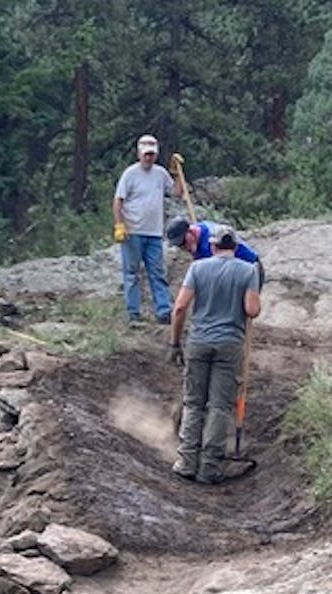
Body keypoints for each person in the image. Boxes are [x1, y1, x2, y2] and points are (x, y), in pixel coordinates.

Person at [167, 224, 261, 484]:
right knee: (219, 406)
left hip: (198, 342)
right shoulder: (247, 271)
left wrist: (175, 343)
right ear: (235, 247)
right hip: (230, 344)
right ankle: (209, 467)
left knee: (194, 402)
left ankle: (186, 461)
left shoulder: (197, 268)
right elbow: (252, 310)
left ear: (213, 245)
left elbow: (179, 308)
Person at [113, 134, 181, 327]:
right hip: (132, 230)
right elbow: (118, 201)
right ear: (139, 153)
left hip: (154, 232)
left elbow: (176, 193)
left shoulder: (160, 174)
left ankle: (163, 311)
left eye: (151, 154)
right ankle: (134, 313)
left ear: (156, 154)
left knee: (157, 272)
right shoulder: (130, 174)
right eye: (145, 154)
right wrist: (119, 225)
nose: (148, 157)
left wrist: (177, 174)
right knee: (132, 273)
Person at [165, 216, 264, 287]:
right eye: (180, 246)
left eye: (183, 242)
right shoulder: (196, 241)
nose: (184, 247)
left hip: (251, 269)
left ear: (191, 231)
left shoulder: (213, 241)